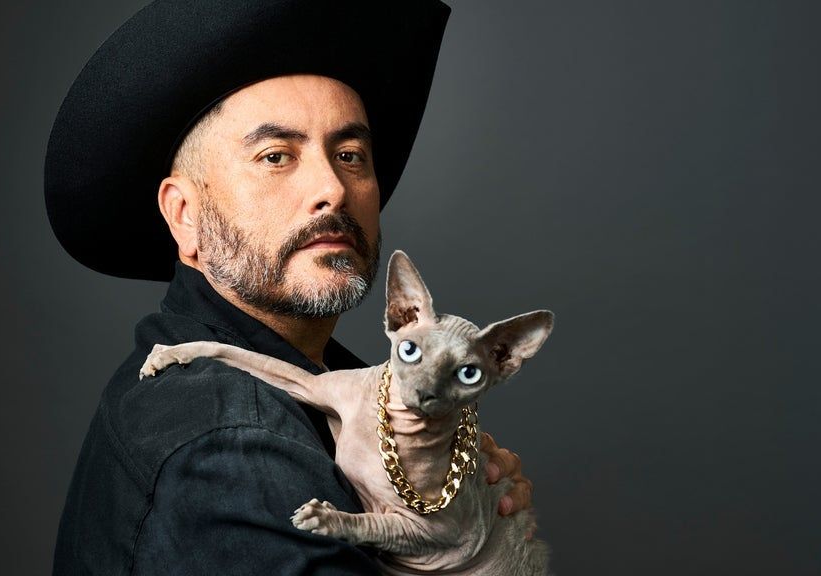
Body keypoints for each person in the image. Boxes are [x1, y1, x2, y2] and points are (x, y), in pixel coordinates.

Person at [45, 1, 533, 573]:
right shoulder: (232, 449)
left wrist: (466, 523)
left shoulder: (342, 389)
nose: (333, 188)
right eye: (276, 156)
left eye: (350, 155)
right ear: (185, 216)